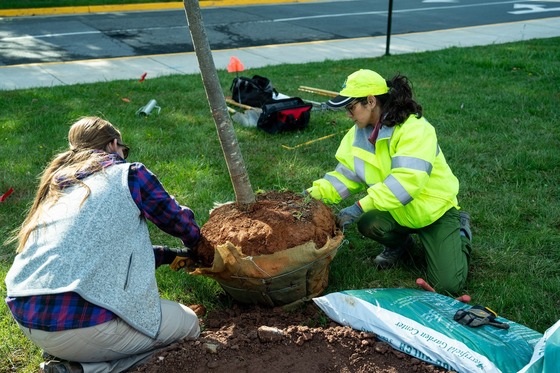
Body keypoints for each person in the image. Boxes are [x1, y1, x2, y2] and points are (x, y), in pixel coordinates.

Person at [5, 117, 202, 373]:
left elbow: (97, 255)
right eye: (124, 149)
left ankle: (70, 363)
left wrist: (165, 256)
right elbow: (177, 221)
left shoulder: (59, 187)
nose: (124, 155)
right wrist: (199, 246)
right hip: (83, 326)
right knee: (189, 325)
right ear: (112, 145)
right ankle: (88, 369)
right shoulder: (130, 175)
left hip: (30, 318)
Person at [306, 69, 472, 294]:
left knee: (447, 286)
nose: (349, 115)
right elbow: (344, 176)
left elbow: (405, 184)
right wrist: (307, 197)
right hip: (398, 209)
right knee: (369, 224)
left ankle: (460, 230)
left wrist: (357, 207)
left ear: (371, 101)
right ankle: (401, 246)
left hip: (435, 211)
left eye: (351, 107)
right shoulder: (358, 134)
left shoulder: (415, 129)